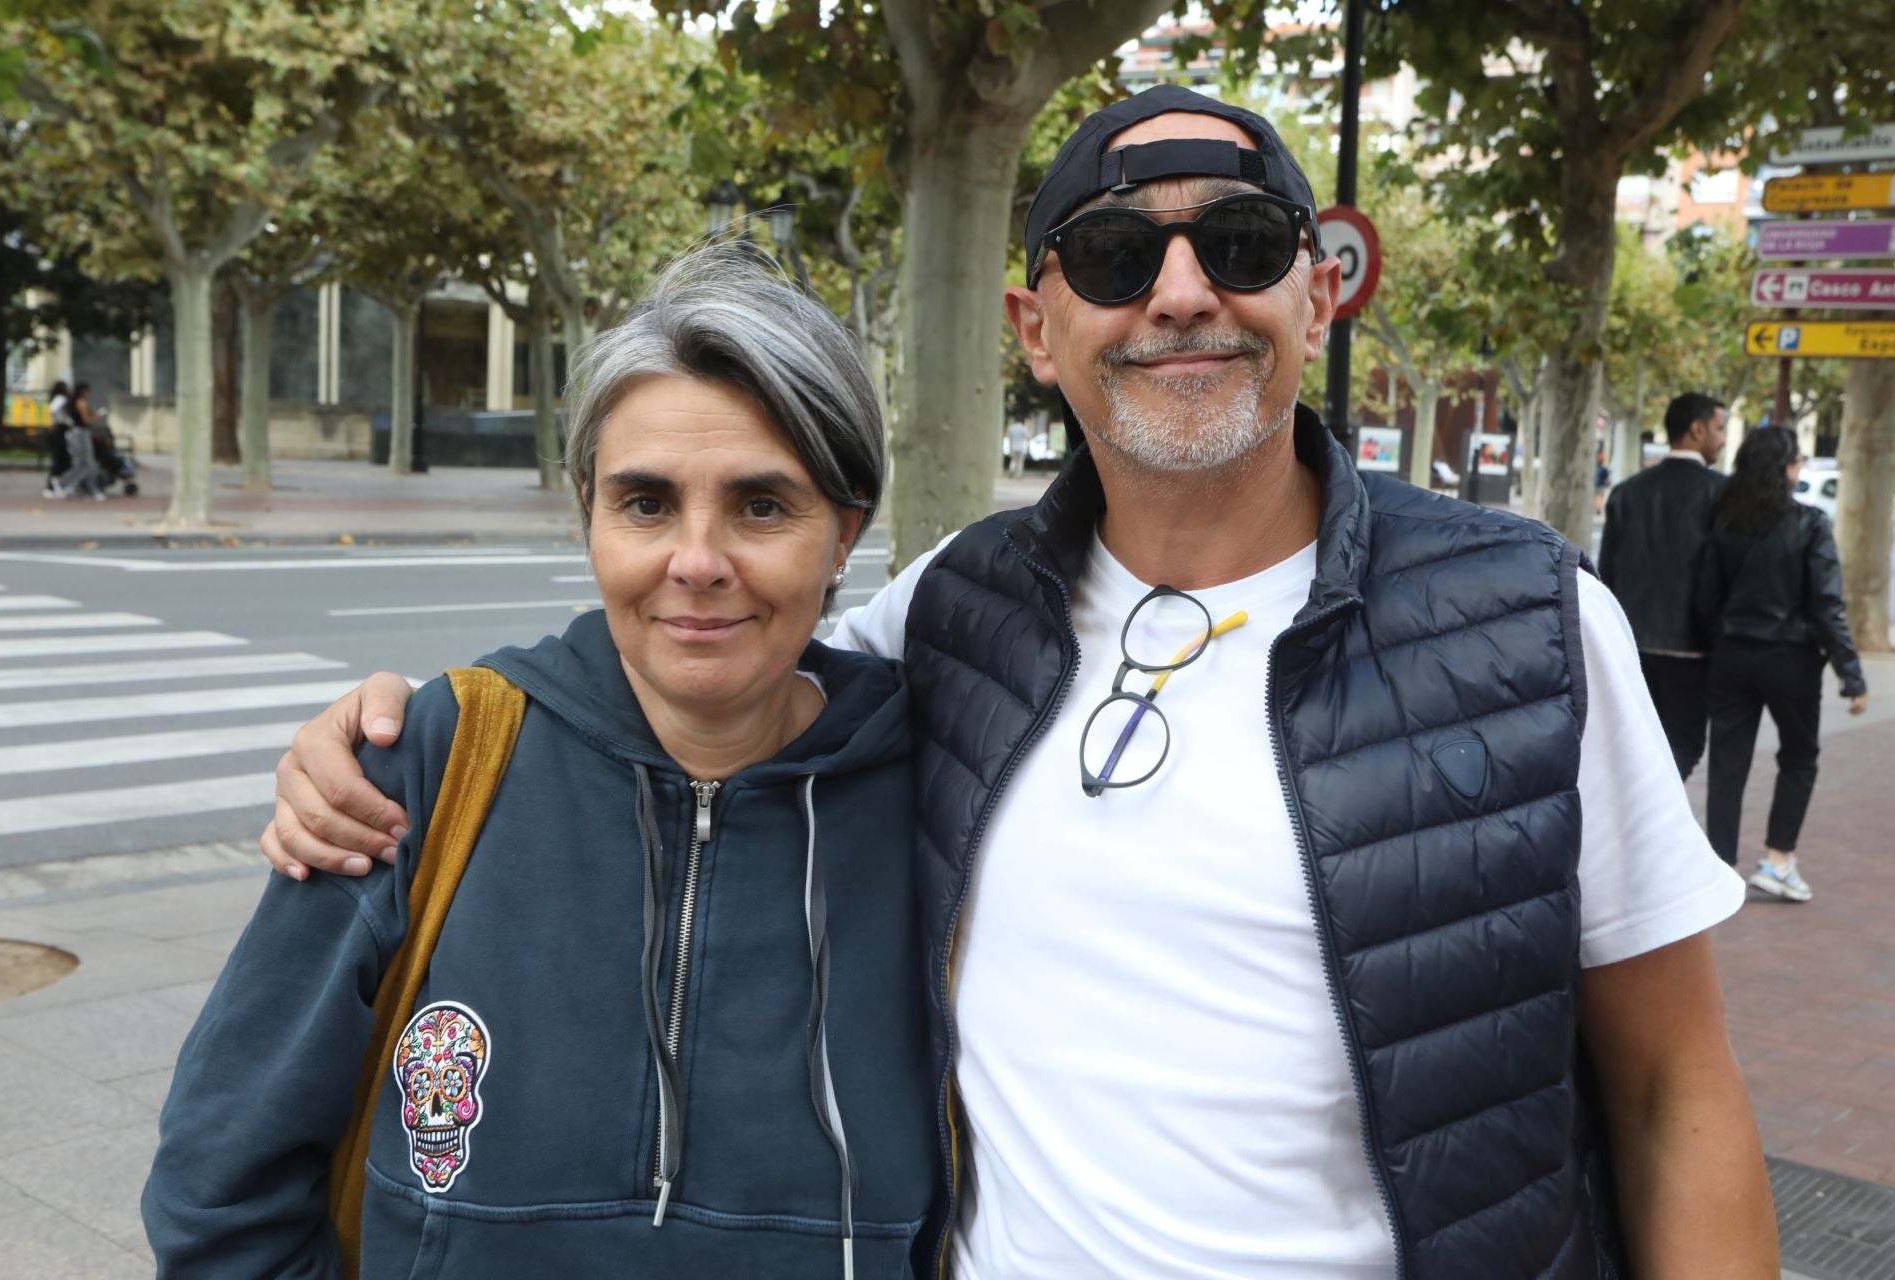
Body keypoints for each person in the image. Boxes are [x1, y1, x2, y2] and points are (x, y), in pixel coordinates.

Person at [262, 86, 1778, 1277]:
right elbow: (699, 663)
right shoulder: (953, 610)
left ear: (1318, 296)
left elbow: (1673, 1094)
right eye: (1117, 256)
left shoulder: (1528, 621)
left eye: (1242, 244)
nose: (1180, 292)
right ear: (1037, 329)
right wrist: (395, 732)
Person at [142, 244, 938, 1278]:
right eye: (646, 503)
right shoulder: (434, 761)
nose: (697, 561)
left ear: (845, 533)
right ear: (589, 515)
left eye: (762, 505)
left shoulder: (940, 795)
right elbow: (220, 1180)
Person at [1695, 425, 1869, 896]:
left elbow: (1705, 597)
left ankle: (1720, 869)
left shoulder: (1724, 522)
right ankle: (1777, 860)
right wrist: (1851, 676)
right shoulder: (1810, 524)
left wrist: (1720, 639)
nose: (1800, 468)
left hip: (1732, 654)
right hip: (1791, 658)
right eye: (1797, 461)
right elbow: (1827, 605)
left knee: (1727, 762)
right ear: (1785, 469)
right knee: (1799, 756)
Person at [1597, 392, 1729, 779]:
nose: (1723, 438)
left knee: (1635, 744)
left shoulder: (1627, 492)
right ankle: (1657, 811)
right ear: (1697, 429)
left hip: (1631, 643)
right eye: (1719, 428)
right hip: (1690, 647)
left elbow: (1606, 574)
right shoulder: (1722, 493)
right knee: (1683, 744)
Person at [55, 380, 107, 500]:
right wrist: (98, 415)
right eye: (88, 391)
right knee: (89, 463)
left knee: (83, 463)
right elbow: (86, 421)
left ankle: (64, 482)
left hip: (77, 433)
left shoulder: (74, 402)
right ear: (83, 391)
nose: (89, 394)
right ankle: (91, 489)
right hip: (82, 434)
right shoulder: (81, 403)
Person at [43, 379, 73, 498]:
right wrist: (64, 416)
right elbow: (54, 410)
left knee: (64, 460)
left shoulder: (57, 399)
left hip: (59, 429)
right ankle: (52, 485)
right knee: (60, 459)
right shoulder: (61, 399)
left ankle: (60, 484)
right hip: (60, 430)